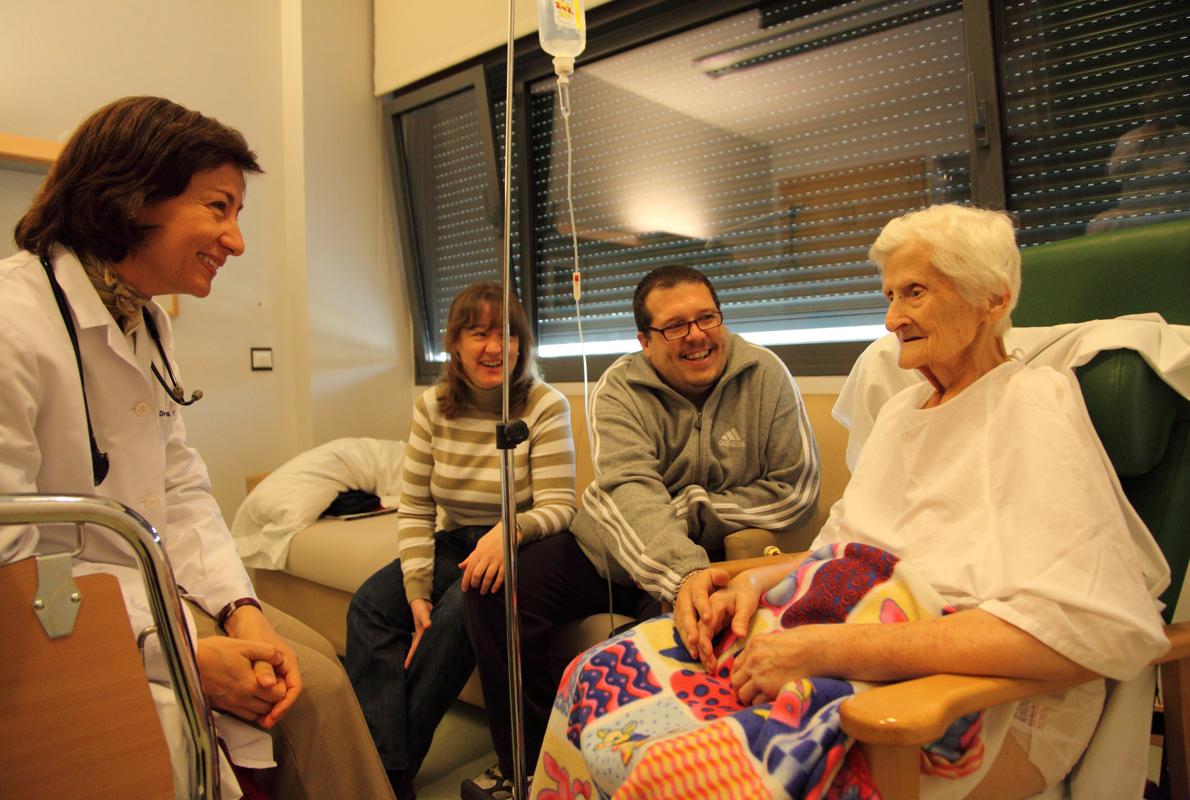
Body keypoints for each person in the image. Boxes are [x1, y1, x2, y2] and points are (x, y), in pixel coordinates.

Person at [533, 205, 1171, 800]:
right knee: (594, 672)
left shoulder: (1033, 404)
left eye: (914, 293)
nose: (892, 319)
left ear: (993, 298)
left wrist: (823, 652)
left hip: (968, 700)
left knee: (676, 771)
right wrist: (749, 582)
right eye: (889, 295)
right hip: (836, 633)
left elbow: (1074, 628)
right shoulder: (900, 412)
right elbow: (844, 548)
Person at [0, 96, 394, 800]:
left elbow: (178, 488)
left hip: (164, 586)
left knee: (323, 681)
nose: (236, 241)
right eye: (219, 208)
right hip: (71, 617)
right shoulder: (12, 324)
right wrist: (173, 656)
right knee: (261, 714)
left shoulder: (144, 322)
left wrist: (240, 605)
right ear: (130, 197)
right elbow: (12, 564)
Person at [461, 265, 821, 800]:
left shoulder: (766, 376)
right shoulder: (620, 388)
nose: (697, 335)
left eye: (706, 318)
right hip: (607, 546)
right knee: (496, 592)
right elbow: (630, 492)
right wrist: (682, 574)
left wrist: (696, 508)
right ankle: (529, 767)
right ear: (645, 342)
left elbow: (795, 489)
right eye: (675, 326)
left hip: (716, 554)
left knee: (688, 636)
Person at [346, 282, 577, 800]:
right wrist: (416, 587)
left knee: (459, 615)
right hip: (457, 539)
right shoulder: (432, 407)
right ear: (454, 342)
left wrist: (508, 532)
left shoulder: (544, 404)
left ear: (523, 344)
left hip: (520, 543)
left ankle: (383, 773)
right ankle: (387, 766)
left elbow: (562, 505)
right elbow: (417, 504)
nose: (495, 347)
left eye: (507, 334)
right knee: (369, 607)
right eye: (479, 333)